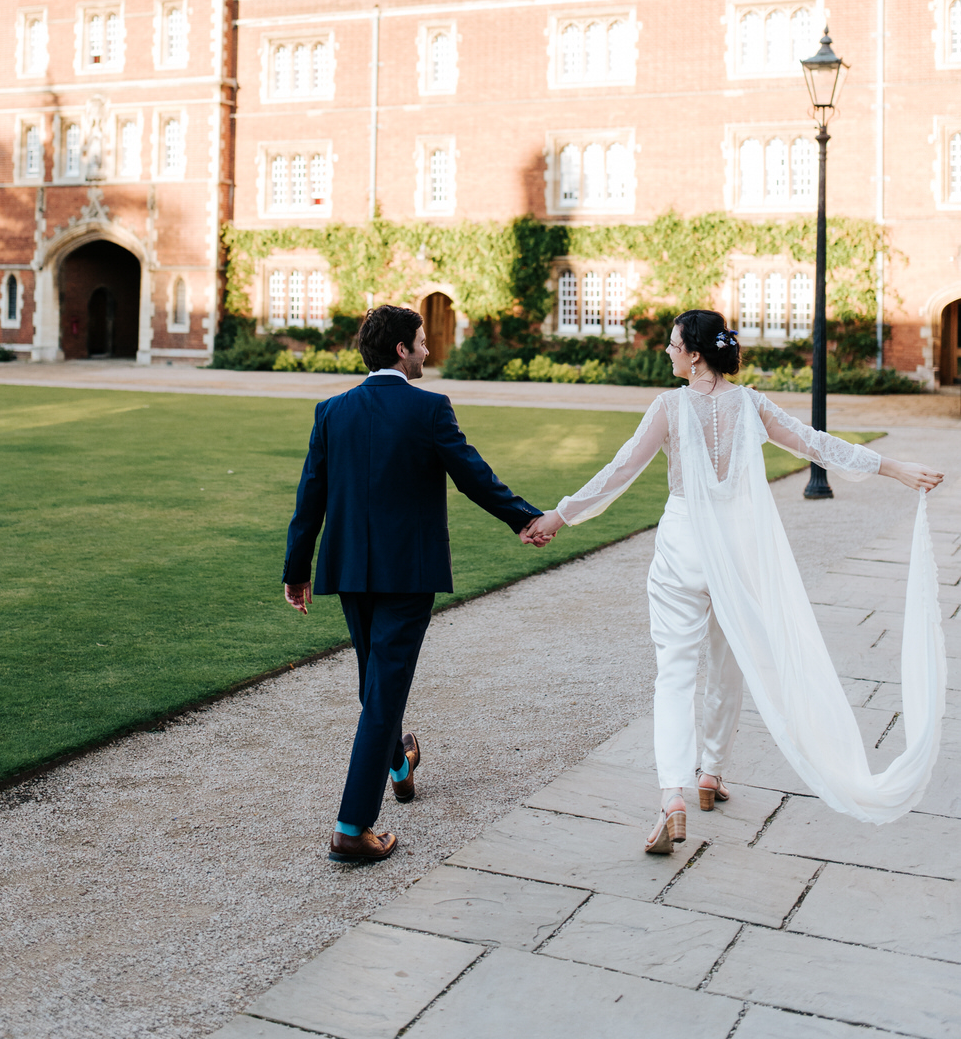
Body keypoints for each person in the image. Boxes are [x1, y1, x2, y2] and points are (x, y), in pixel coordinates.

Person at [529, 309, 946, 852]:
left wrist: (558, 516)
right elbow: (815, 443)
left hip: (683, 547)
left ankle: (673, 796)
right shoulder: (751, 403)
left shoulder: (669, 408)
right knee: (729, 663)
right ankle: (712, 772)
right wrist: (896, 469)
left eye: (673, 344)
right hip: (738, 548)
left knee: (674, 674)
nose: (668, 351)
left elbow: (620, 471)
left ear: (695, 353)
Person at [282, 303, 546, 864]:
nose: (428, 350)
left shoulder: (332, 412)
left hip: (350, 572)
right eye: (422, 342)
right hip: (407, 575)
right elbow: (475, 476)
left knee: (375, 682)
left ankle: (399, 761)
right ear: (401, 350)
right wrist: (523, 517)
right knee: (380, 693)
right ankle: (351, 827)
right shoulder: (429, 409)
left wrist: (296, 571)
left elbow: (310, 501)